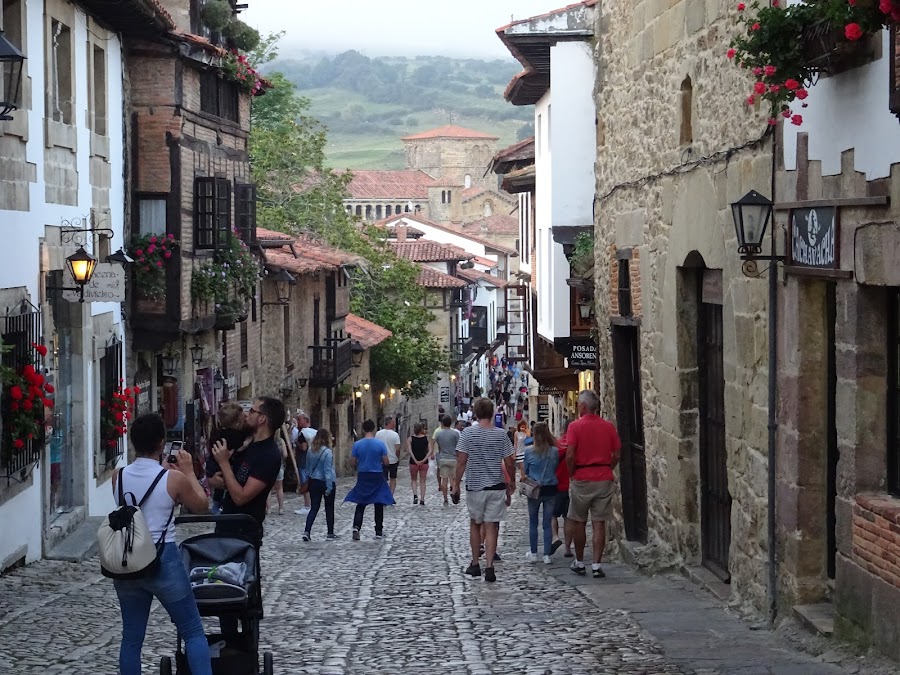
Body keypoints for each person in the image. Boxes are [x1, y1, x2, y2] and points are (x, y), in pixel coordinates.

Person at [112, 413, 211, 675]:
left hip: (129, 559)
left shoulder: (117, 477)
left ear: (133, 442)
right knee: (192, 631)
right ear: (162, 443)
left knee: (131, 639)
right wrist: (188, 472)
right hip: (162, 558)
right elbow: (202, 506)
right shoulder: (173, 479)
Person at [452, 397, 516, 583]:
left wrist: (456, 484)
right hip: (496, 486)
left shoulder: (467, 434)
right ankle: (489, 566)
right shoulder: (500, 434)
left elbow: (462, 461)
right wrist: (510, 481)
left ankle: (474, 563)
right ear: (492, 412)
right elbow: (509, 461)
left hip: (475, 486)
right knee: (492, 526)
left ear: (476, 412)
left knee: (475, 523)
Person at [565, 390, 621, 578]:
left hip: (581, 477)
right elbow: (617, 454)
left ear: (582, 406)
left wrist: (571, 474)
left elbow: (570, 454)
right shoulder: (609, 427)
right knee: (599, 523)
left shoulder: (574, 427)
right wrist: (607, 467)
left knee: (579, 521)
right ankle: (596, 565)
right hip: (603, 477)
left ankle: (580, 562)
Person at [210, 396, 286, 531]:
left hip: (244, 532)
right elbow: (234, 479)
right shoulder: (246, 443)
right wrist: (215, 480)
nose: (246, 414)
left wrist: (224, 463)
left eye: (251, 411)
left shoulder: (268, 455)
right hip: (226, 525)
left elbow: (241, 497)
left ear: (262, 418)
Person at [345, 419, 395, 539]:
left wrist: (360, 463)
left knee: (361, 502)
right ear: (373, 429)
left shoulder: (357, 445)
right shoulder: (380, 444)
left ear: (363, 429)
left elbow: (352, 462)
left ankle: (356, 527)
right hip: (377, 474)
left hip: (363, 474)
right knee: (379, 502)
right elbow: (386, 461)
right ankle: (378, 531)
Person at [205, 402, 251, 515]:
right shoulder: (235, 435)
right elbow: (239, 448)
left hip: (214, 465)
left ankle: (217, 503)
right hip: (226, 467)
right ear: (238, 422)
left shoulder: (218, 433)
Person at [523, 422, 559, 564]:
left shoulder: (528, 451)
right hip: (550, 488)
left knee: (533, 522)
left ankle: (533, 553)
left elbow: (525, 470)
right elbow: (555, 467)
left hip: (534, 489)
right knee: (547, 523)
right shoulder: (554, 451)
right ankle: (546, 555)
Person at [302, 428, 337, 541]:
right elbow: (327, 471)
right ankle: (330, 533)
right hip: (325, 482)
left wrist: (308, 479)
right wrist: (329, 487)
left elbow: (307, 468)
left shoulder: (310, 451)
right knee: (329, 508)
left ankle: (307, 531)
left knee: (314, 508)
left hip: (314, 482)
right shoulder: (327, 452)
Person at [552, 420, 574, 557]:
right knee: (568, 517)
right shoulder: (575, 445)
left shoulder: (557, 446)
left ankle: (555, 537)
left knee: (552, 515)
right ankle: (567, 548)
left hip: (556, 485)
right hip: (571, 485)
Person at [268, 423, 297, 516]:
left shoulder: (268, 441)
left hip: (268, 467)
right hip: (279, 467)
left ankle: (268, 509)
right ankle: (281, 508)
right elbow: (285, 454)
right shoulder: (281, 441)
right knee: (279, 488)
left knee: (268, 489)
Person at [293, 412, 317, 515]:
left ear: (306, 421)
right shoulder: (315, 432)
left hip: (304, 461)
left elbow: (303, 447)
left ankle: (307, 506)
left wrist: (296, 443)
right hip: (313, 461)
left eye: (299, 420)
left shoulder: (303, 433)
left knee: (304, 483)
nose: (298, 422)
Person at [433, 415, 460, 505]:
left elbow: (437, 445)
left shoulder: (439, 434)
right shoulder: (455, 433)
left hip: (443, 458)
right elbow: (459, 446)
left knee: (444, 480)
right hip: (453, 458)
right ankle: (452, 492)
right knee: (454, 479)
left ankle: (445, 498)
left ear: (443, 423)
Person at [375, 416, 402, 495]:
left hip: (382, 460)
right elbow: (397, 449)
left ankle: (385, 494)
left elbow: (376, 447)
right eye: (393, 423)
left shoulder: (378, 434)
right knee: (393, 478)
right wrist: (398, 457)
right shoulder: (395, 435)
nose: (394, 424)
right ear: (389, 423)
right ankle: (390, 494)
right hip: (393, 460)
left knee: (384, 479)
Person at [407, 422, 431, 505]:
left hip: (413, 463)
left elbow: (410, 451)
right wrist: (424, 460)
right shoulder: (426, 439)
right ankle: (422, 499)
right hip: (424, 463)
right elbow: (430, 451)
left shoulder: (410, 439)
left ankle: (415, 495)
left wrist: (415, 460)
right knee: (423, 481)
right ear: (422, 429)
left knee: (414, 479)